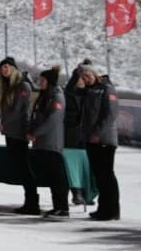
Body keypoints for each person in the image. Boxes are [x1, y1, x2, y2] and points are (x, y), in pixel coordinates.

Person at [0, 56, 38, 214]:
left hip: (19, 131)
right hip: (10, 131)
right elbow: (7, 108)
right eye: (1, 68)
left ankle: (32, 201)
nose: (3, 70)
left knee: (24, 167)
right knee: (20, 167)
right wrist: (4, 122)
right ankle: (30, 201)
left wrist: (4, 122)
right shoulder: (8, 86)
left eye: (6, 67)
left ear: (13, 68)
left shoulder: (23, 86)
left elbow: (19, 110)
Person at [27, 65, 69, 218]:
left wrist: (35, 132)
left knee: (57, 176)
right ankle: (57, 206)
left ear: (50, 81)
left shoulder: (57, 97)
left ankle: (62, 207)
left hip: (52, 143)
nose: (40, 82)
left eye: (43, 80)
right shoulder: (44, 96)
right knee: (51, 176)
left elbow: (53, 120)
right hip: (42, 143)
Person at [80, 65, 120, 220]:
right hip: (91, 139)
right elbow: (71, 91)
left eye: (87, 75)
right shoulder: (88, 90)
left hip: (104, 140)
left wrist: (97, 133)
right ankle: (103, 208)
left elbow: (110, 114)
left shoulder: (106, 88)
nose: (85, 79)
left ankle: (112, 210)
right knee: (99, 176)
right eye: (82, 77)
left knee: (107, 175)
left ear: (94, 73)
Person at [63, 58, 92, 205]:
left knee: (87, 164)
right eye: (81, 76)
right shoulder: (70, 91)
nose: (84, 79)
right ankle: (76, 193)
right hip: (71, 133)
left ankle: (88, 193)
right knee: (72, 164)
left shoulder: (92, 91)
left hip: (87, 133)